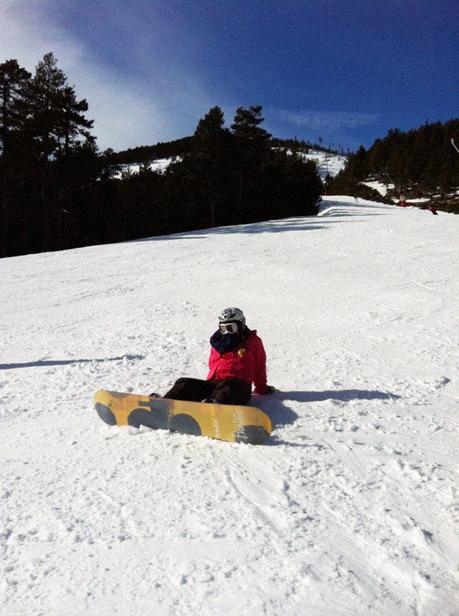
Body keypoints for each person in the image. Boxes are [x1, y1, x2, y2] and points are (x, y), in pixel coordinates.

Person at [156, 307, 275, 405]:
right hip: (215, 385)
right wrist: (206, 386)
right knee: (184, 383)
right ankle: (163, 404)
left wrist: (261, 388)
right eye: (223, 328)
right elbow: (213, 365)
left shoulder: (253, 341)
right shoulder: (218, 342)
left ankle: (215, 407)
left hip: (238, 387)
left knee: (228, 387)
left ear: (241, 324)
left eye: (230, 328)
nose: (227, 332)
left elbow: (260, 366)